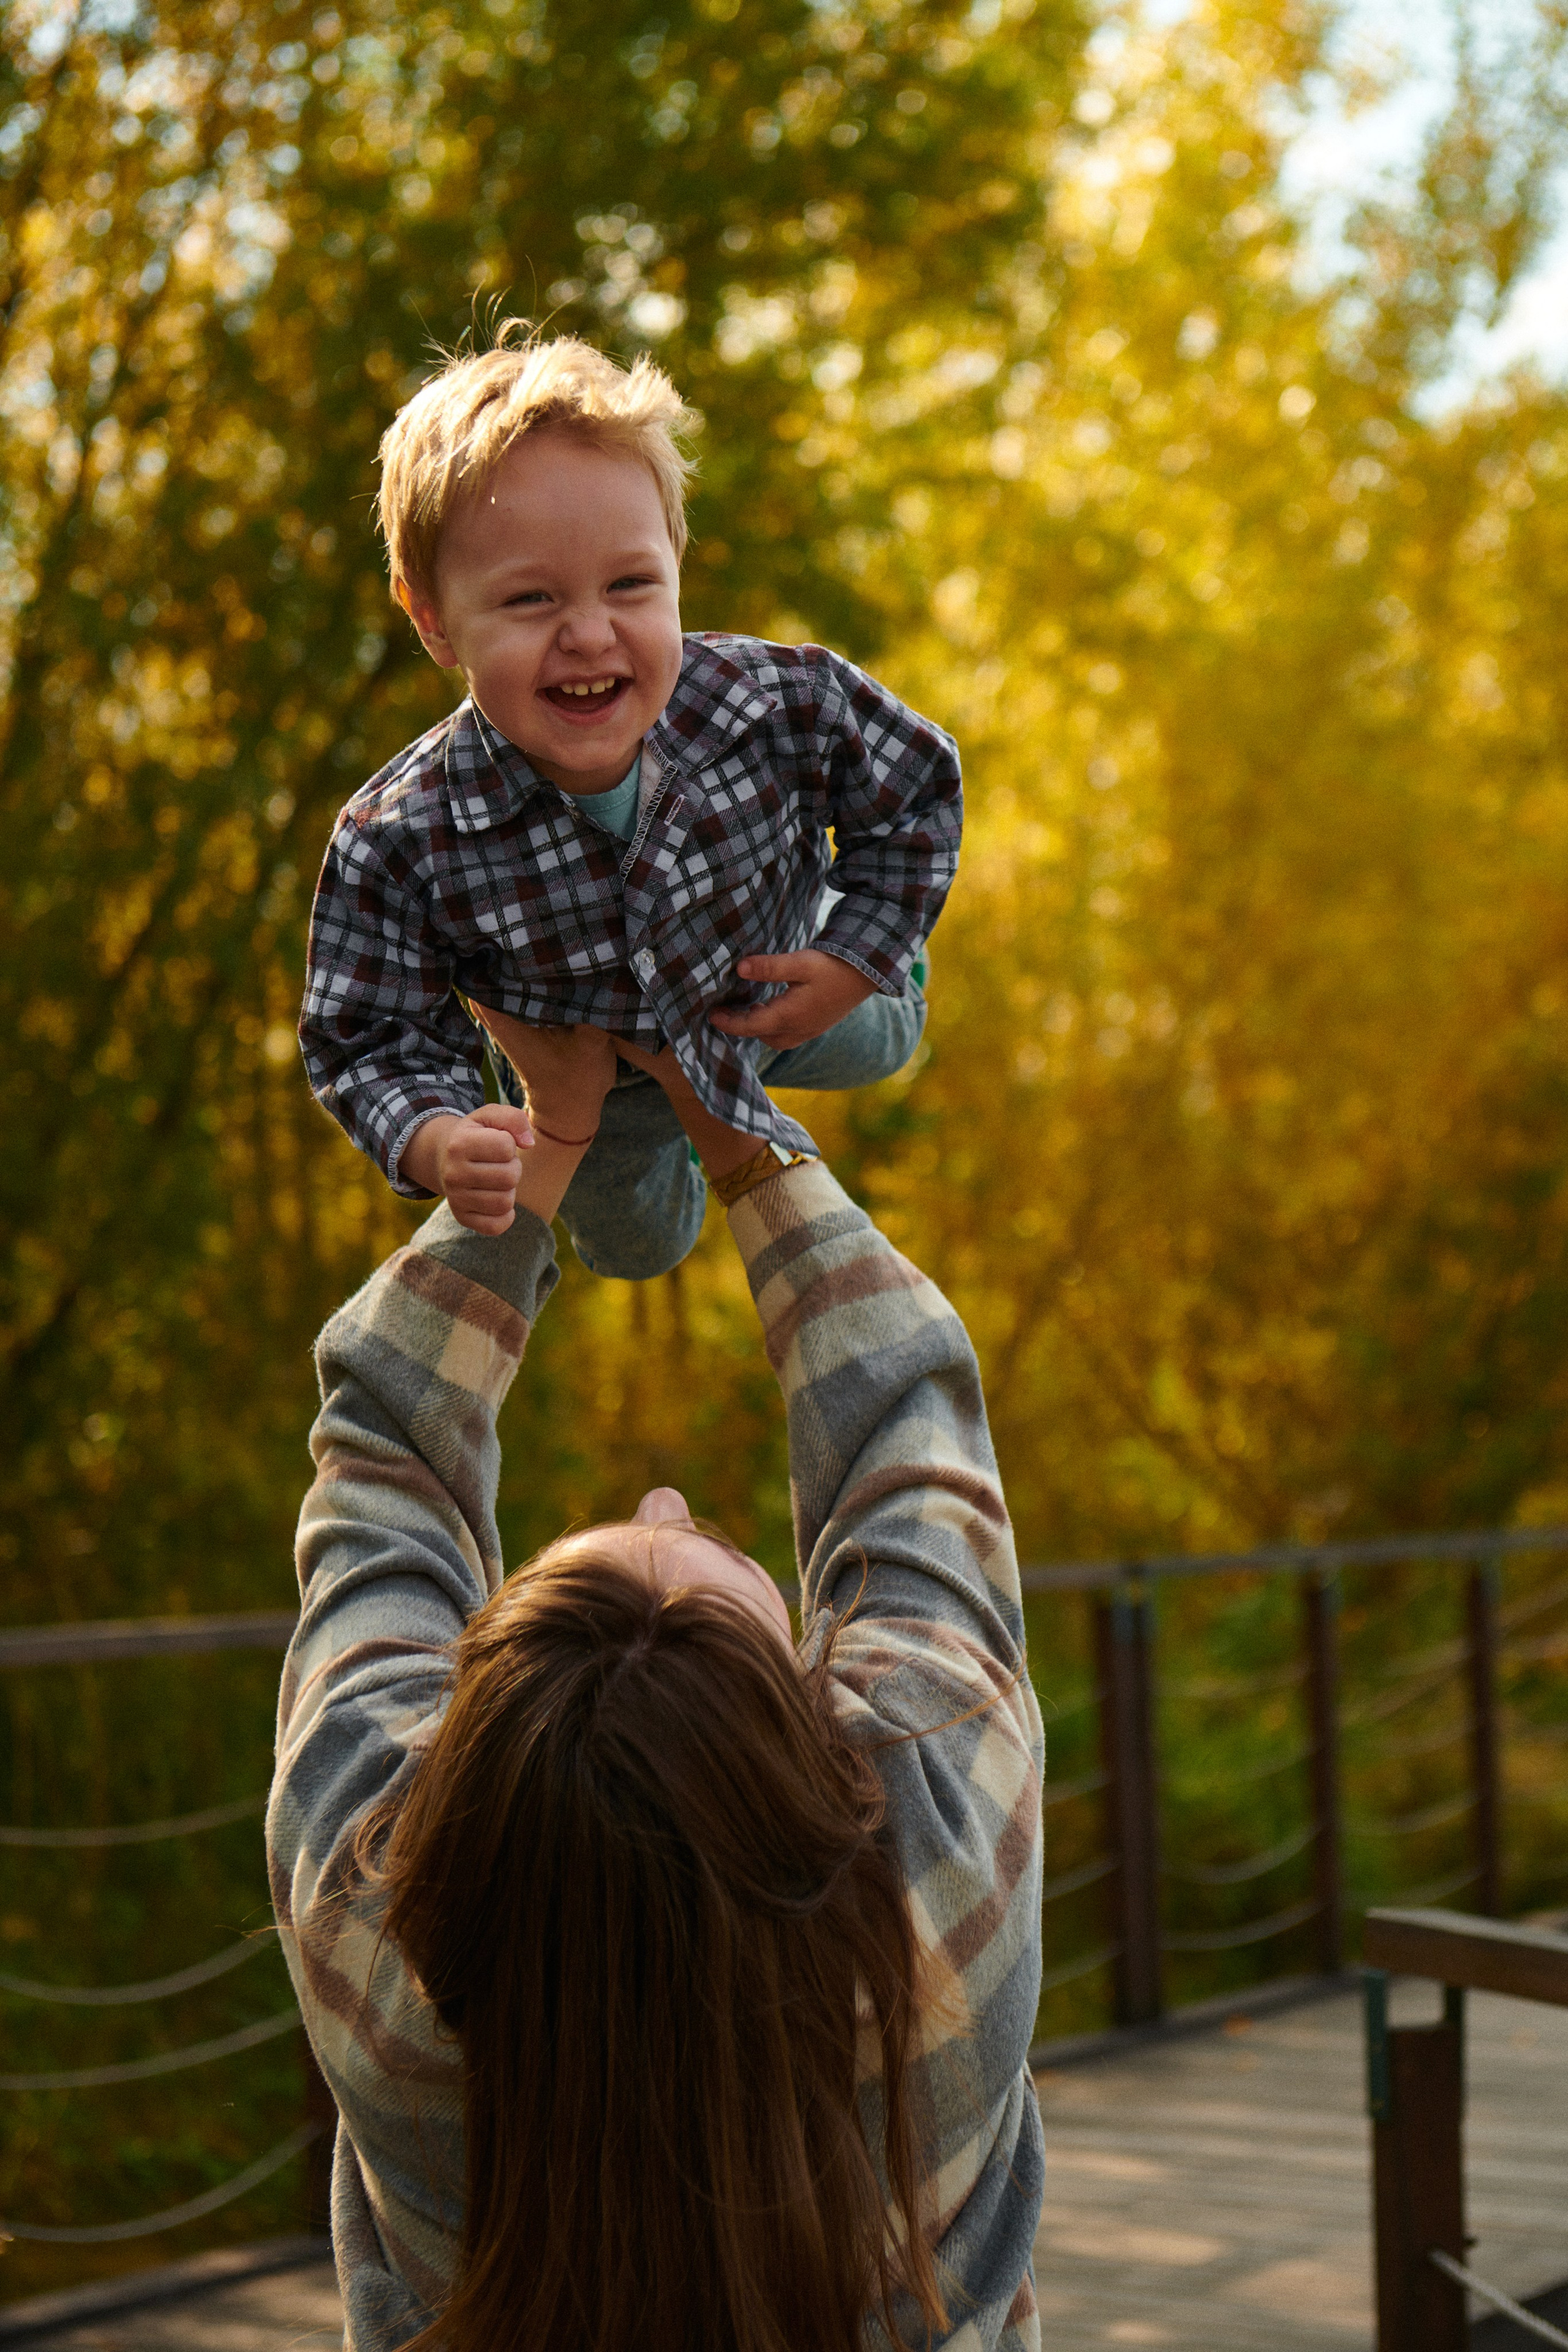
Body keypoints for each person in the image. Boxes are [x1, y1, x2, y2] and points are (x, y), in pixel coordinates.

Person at [267, 1011, 1045, 2352]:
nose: (666, 1491)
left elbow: (906, 1422)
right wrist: (723, 1119)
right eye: (715, 1552)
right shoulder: (362, 1931)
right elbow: (386, 1450)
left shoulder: (398, 1970)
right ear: (820, 1749)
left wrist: (549, 1138)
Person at [298, 325, 960, 1281]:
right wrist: (438, 1137)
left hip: (773, 975)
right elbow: (364, 1029)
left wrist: (858, 952)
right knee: (637, 1251)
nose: (589, 633)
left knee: (887, 1040)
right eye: (530, 601)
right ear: (434, 619)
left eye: (631, 585)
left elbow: (916, 787)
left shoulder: (772, 701)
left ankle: (852, 974)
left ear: (678, 562)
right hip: (606, 1077)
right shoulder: (399, 840)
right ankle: (694, 1127)